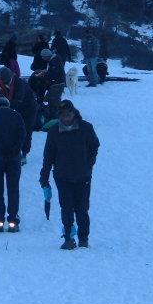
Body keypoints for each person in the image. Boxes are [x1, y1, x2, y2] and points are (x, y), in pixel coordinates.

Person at [39, 100, 100, 249]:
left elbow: (94, 145)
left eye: (68, 114)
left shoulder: (86, 128)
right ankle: (68, 238)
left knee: (82, 209)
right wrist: (44, 176)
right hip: (62, 176)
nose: (66, 118)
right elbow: (48, 156)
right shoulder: (54, 131)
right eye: (62, 115)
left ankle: (83, 238)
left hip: (83, 176)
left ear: (73, 113)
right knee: (66, 208)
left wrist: (89, 163)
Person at [0, 97, 26, 232]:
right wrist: (14, 149)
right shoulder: (16, 115)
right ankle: (13, 220)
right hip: (13, 158)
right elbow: (22, 134)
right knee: (13, 189)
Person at [0, 65, 38, 164]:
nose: (1, 82)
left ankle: (24, 154)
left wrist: (6, 109)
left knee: (26, 131)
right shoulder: (6, 83)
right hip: (18, 109)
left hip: (29, 109)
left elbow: (18, 100)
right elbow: (3, 95)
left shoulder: (19, 84)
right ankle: (13, 150)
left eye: (3, 80)